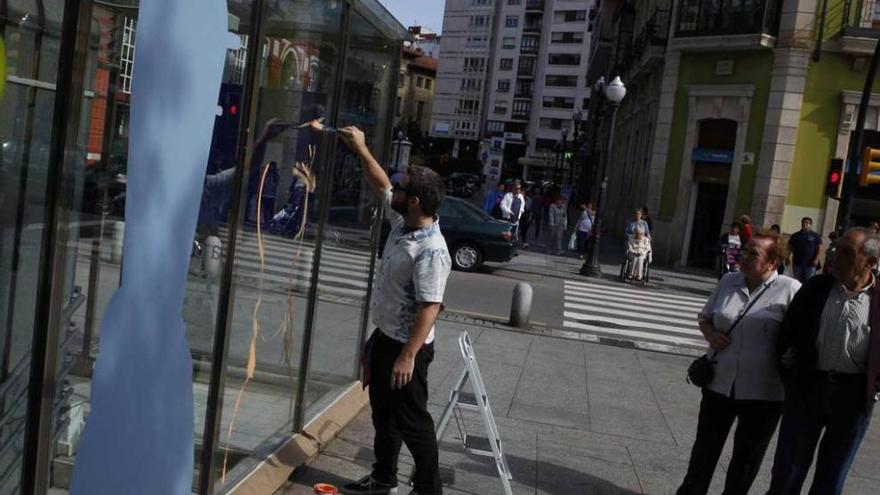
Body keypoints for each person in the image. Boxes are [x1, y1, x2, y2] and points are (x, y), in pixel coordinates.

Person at [337, 126, 451, 495]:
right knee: (383, 416)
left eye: (401, 189)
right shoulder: (403, 223)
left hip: (408, 350)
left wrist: (407, 356)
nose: (393, 191)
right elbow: (380, 182)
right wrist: (361, 149)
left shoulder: (431, 250)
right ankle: (383, 478)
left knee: (413, 421)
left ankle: (428, 489)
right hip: (386, 339)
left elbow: (430, 307)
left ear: (415, 200)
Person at [676, 234, 801, 495]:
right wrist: (711, 335)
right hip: (719, 382)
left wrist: (794, 353)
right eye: (744, 251)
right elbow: (705, 318)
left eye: (753, 254)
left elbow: (803, 335)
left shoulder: (791, 290)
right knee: (704, 450)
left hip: (764, 392)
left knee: (746, 459)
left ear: (772, 262)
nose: (743, 256)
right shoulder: (728, 280)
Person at [768, 228, 880, 495]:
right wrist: (788, 358)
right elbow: (787, 331)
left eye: (846, 253)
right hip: (808, 388)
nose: (835, 257)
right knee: (787, 472)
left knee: (831, 479)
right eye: (836, 249)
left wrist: (874, 386)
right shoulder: (817, 287)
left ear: (870, 262)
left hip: (853, 398)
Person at [788, 217, 822, 282]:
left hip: (810, 264)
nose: (805, 224)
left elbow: (819, 248)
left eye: (807, 223)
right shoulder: (795, 235)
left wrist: (816, 259)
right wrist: (788, 256)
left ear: (810, 224)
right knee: (797, 282)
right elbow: (790, 246)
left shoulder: (815, 236)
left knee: (809, 282)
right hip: (797, 263)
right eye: (803, 222)